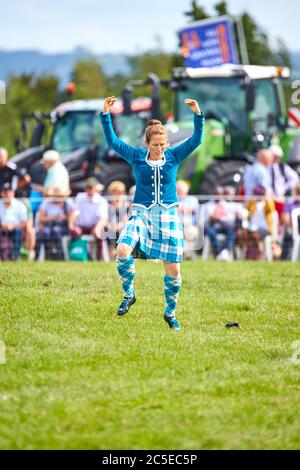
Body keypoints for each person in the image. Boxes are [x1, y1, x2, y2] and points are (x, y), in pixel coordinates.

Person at [99, 96, 204, 330]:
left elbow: (197, 139)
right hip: (141, 215)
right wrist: (105, 115)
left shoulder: (173, 156)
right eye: (155, 144)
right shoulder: (136, 156)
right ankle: (129, 294)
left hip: (167, 217)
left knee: (173, 269)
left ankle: (170, 312)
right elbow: (113, 142)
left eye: (163, 144)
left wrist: (198, 114)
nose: (159, 149)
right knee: (122, 250)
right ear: (147, 143)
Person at [69, 177, 108, 259]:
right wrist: (72, 226)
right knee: (74, 233)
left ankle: (98, 258)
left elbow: (103, 219)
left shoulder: (101, 200)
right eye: (87, 187)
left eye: (91, 187)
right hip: (81, 226)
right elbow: (74, 212)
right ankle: (75, 256)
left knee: (100, 235)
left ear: (95, 188)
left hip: (94, 226)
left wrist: (97, 229)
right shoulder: (80, 197)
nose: (89, 189)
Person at [35, 185, 74, 260]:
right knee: (44, 232)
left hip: (63, 226)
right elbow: (41, 218)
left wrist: (65, 218)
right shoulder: (46, 202)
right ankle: (47, 255)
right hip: (49, 225)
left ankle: (60, 255)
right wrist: (52, 218)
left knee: (56, 231)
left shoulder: (68, 203)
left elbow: (73, 216)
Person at [269, 144, 299, 220]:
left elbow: (294, 177)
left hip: (280, 198)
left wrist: (284, 188)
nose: (277, 160)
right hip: (268, 199)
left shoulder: (281, 166)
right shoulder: (265, 167)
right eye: (276, 157)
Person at [0, 183, 28, 260]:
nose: (7, 194)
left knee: (18, 232)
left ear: (13, 193)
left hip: (16, 228)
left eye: (9, 192)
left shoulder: (20, 205)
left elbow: (24, 223)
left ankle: (15, 256)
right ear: (1, 193)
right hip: (1, 228)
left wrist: (13, 226)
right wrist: (3, 226)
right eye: (5, 192)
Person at [106, 180, 129, 260]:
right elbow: (104, 220)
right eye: (114, 191)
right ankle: (111, 256)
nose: (117, 194)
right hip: (110, 229)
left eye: (119, 192)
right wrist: (111, 227)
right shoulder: (106, 205)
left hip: (121, 228)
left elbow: (125, 220)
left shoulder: (126, 205)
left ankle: (121, 254)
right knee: (109, 233)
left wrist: (116, 227)